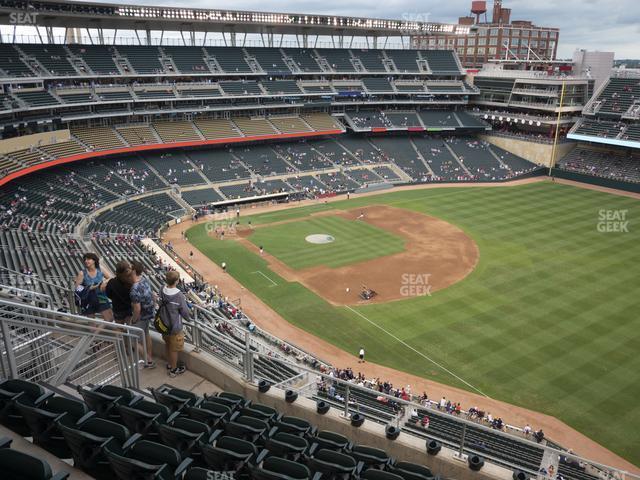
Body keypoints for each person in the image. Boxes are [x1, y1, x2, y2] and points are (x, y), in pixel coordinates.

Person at [158, 270, 189, 377]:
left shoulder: (162, 288)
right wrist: (189, 319)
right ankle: (173, 370)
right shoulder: (179, 295)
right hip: (174, 326)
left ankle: (170, 364)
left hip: (163, 323)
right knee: (174, 349)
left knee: (167, 344)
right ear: (177, 281)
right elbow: (185, 312)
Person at [130, 260, 156, 369]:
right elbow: (153, 296)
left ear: (134, 271)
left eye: (130, 269)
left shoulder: (134, 288)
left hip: (141, 316)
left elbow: (137, 309)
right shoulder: (145, 280)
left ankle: (149, 361)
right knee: (146, 334)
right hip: (149, 313)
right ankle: (149, 356)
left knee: (132, 340)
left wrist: (134, 319)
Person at [74, 253, 112, 320]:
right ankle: (96, 330)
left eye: (88, 259)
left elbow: (110, 278)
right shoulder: (82, 273)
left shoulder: (100, 269)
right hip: (88, 299)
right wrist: (90, 288)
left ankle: (97, 330)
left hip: (101, 297)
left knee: (109, 319)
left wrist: (104, 282)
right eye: (85, 260)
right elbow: (77, 289)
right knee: (92, 322)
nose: (86, 261)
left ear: (94, 260)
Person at [103, 260, 134, 324]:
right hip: (128, 308)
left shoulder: (112, 282)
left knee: (119, 327)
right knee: (129, 326)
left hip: (117, 309)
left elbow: (108, 294)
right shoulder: (131, 283)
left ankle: (119, 334)